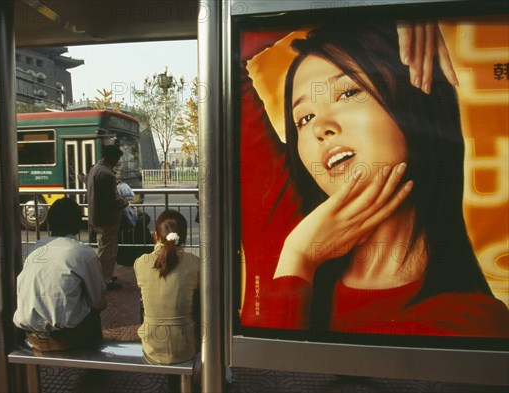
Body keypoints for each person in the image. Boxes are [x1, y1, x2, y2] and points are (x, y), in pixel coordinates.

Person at [240, 20, 509, 337]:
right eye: (304, 118)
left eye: (349, 92)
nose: (319, 127)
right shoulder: (289, 227)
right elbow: (228, 48)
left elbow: (277, 378)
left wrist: (298, 260)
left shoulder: (472, 320)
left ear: (414, 107)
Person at [13, 197, 106, 351]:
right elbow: (97, 298)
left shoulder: (35, 247)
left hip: (30, 336)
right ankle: (94, 367)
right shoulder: (83, 253)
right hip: (66, 338)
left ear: (49, 222)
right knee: (98, 305)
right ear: (77, 224)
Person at [134, 209, 201, 364]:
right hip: (186, 346)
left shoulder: (141, 262)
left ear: (156, 236)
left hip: (152, 347)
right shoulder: (195, 263)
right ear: (183, 237)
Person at [87, 145, 129, 290]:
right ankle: (105, 279)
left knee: (103, 247)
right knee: (107, 249)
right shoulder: (106, 174)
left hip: (98, 216)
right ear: (111, 157)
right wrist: (125, 201)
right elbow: (111, 200)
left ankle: (106, 275)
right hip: (108, 219)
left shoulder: (96, 169)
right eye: (117, 158)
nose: (117, 161)